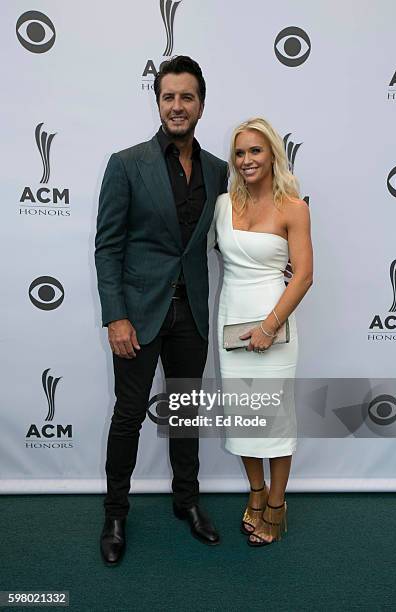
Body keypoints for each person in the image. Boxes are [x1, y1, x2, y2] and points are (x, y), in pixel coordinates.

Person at [95, 55, 228, 564]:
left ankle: (187, 502)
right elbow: (108, 247)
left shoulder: (218, 170)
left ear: (200, 104)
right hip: (139, 316)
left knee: (185, 414)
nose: (178, 106)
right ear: (158, 102)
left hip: (191, 313)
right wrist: (116, 316)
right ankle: (114, 512)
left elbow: (233, 234)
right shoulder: (126, 164)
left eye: (187, 97)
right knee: (128, 416)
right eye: (169, 97)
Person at [214, 118, 313, 546]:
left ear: (273, 154)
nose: (247, 159)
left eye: (255, 150)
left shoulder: (294, 206)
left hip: (275, 324)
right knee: (243, 417)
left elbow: (304, 276)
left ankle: (276, 504)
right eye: (240, 153)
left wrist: (269, 328)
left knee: (275, 420)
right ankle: (255, 495)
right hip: (231, 319)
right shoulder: (222, 204)